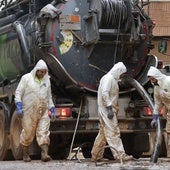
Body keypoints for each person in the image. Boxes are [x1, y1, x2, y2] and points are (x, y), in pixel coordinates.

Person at [15, 59, 56, 162]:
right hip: (28, 111)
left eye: (44, 72)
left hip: (43, 110)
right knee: (28, 133)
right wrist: (19, 106)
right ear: (36, 70)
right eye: (41, 72)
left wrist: (52, 108)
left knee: (44, 132)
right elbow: (18, 92)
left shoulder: (47, 81)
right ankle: (25, 154)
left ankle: (45, 154)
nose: (42, 74)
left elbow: (49, 96)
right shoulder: (26, 78)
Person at [91, 62, 133, 162]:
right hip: (107, 111)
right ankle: (120, 155)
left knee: (103, 134)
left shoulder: (112, 79)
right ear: (118, 71)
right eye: (122, 73)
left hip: (107, 110)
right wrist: (109, 108)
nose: (122, 76)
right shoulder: (108, 78)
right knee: (114, 132)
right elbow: (105, 93)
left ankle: (96, 155)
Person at [147, 66, 170, 157]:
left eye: (153, 79)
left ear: (157, 76)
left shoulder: (168, 81)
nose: (152, 81)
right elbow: (157, 103)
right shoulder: (157, 88)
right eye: (151, 80)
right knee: (168, 131)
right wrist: (155, 118)